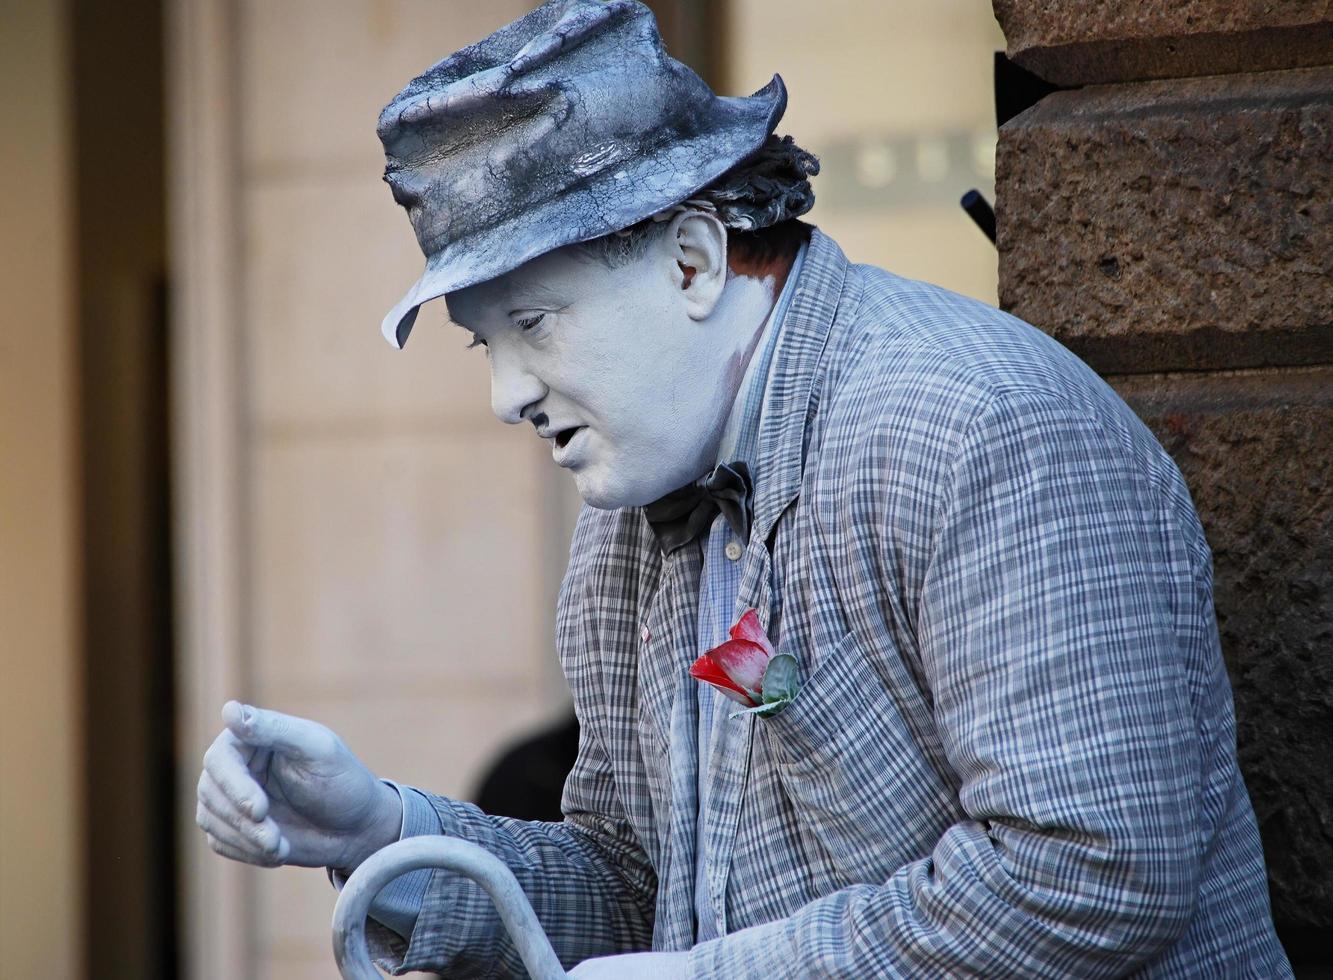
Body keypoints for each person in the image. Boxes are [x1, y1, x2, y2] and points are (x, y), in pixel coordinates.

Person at [195, 2, 1292, 976]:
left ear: (693, 260)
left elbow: (1090, 873)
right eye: (482, 342)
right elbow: (633, 885)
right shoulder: (627, 518)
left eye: (533, 324)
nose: (506, 393)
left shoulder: (984, 426)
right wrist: (378, 831)